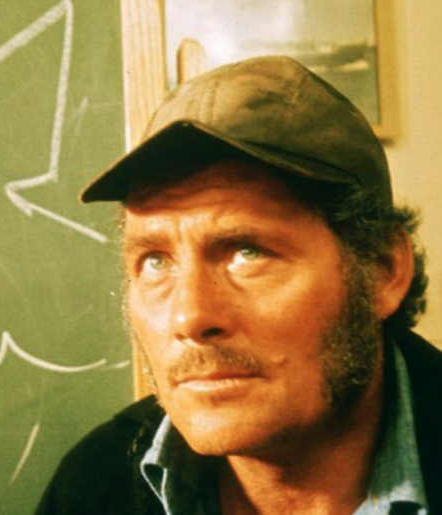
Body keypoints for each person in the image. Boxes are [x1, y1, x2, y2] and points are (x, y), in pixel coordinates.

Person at [35, 56, 441, 515]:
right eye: (155, 261)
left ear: (383, 270)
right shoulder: (95, 484)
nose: (190, 317)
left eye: (248, 252)